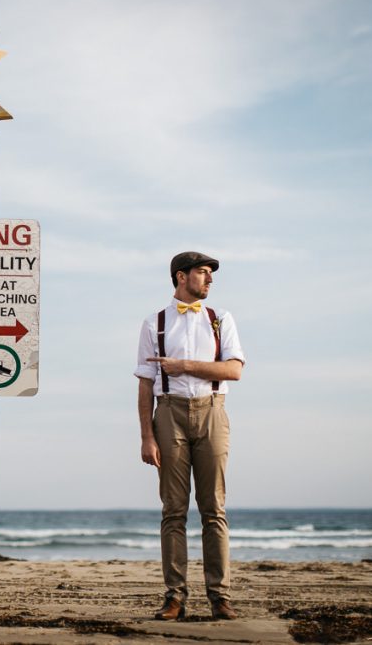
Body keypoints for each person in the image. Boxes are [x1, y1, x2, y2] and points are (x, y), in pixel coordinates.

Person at [135, 252, 245, 621]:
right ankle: (175, 597)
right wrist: (146, 436)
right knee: (173, 511)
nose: (209, 280)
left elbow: (233, 371)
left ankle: (220, 597)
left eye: (210, 274)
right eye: (203, 273)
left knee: (214, 509)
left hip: (213, 410)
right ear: (181, 277)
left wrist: (184, 366)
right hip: (168, 413)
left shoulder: (221, 319)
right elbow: (145, 385)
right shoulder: (155, 323)